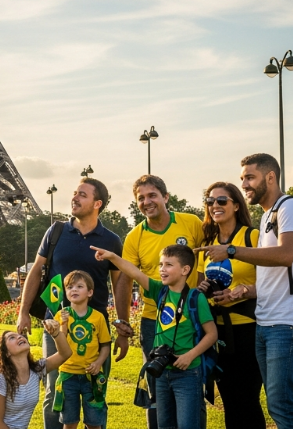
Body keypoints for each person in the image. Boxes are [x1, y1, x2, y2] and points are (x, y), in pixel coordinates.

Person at [196, 153, 293, 429]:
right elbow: (268, 278)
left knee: (282, 403)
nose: (246, 184)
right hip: (266, 319)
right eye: (243, 179)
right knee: (272, 403)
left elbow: (286, 255)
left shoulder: (290, 207)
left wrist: (231, 250)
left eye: (250, 178)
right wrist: (244, 291)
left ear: (270, 177)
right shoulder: (267, 218)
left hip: (289, 321)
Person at [17, 177, 130, 429]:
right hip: (56, 326)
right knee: (55, 391)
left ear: (97, 203)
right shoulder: (55, 231)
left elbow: (119, 283)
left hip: (95, 326)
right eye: (74, 193)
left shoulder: (111, 240)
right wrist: (23, 312)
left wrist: (122, 327)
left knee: (96, 391)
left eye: (82, 194)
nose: (75, 198)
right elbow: (36, 271)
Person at [93, 244, 217, 429]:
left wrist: (189, 356)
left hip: (188, 372)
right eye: (160, 264)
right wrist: (112, 257)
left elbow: (212, 334)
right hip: (162, 372)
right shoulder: (160, 291)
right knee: (164, 424)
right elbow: (135, 273)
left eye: (168, 265)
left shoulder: (195, 298)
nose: (162, 269)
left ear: (185, 270)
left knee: (187, 425)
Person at [121, 174, 204, 429]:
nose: (147, 202)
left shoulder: (191, 223)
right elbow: (127, 279)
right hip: (153, 321)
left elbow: (207, 259)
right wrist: (123, 323)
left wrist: (200, 294)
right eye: (141, 198)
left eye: (152, 195)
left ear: (166, 197)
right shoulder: (135, 237)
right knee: (158, 383)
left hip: (192, 314)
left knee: (192, 380)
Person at [194, 182, 264, 429]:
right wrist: (202, 291)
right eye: (210, 201)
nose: (215, 206)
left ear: (236, 205)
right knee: (230, 399)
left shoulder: (252, 236)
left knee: (247, 398)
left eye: (221, 201)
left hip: (249, 329)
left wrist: (242, 291)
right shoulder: (208, 243)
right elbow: (202, 290)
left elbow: (274, 284)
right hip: (219, 331)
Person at [0, 318, 72, 429]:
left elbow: (65, 354)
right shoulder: (1, 378)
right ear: (6, 353)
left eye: (19, 335)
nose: (19, 336)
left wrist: (56, 333)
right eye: (12, 338)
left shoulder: (36, 370)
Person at [52, 271, 111, 429]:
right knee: (70, 422)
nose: (74, 290)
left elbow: (105, 345)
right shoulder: (61, 315)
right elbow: (61, 344)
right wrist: (63, 325)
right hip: (67, 375)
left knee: (93, 422)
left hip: (90, 377)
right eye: (70, 287)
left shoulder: (98, 317)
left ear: (90, 292)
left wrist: (98, 363)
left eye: (79, 286)